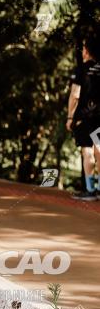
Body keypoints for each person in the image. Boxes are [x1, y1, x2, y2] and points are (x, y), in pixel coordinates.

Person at [67, 37, 100, 200]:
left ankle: (90, 190)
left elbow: (75, 95)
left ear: (87, 51)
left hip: (85, 117)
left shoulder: (82, 69)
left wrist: (70, 117)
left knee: (87, 150)